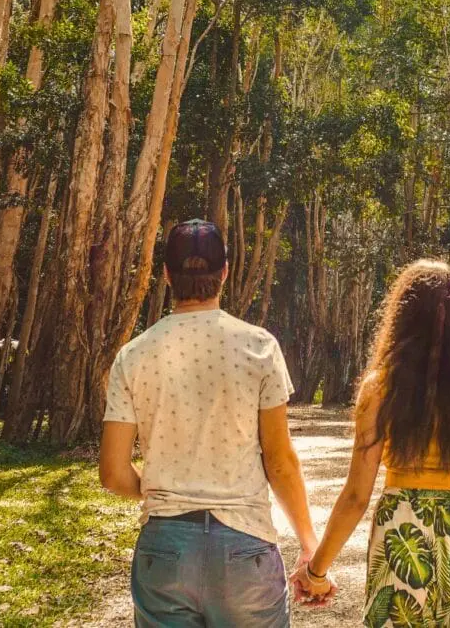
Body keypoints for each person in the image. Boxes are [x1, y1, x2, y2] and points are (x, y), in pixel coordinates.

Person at [99, 219, 334, 627]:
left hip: (164, 548)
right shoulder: (258, 346)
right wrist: (310, 546)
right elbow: (279, 462)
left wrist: (167, 489)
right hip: (245, 548)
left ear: (167, 275)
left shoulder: (133, 355)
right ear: (225, 271)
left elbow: (113, 473)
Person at [290, 259, 450, 627]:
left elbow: (356, 496)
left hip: (399, 529)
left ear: (400, 319)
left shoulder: (379, 389)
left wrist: (316, 571)